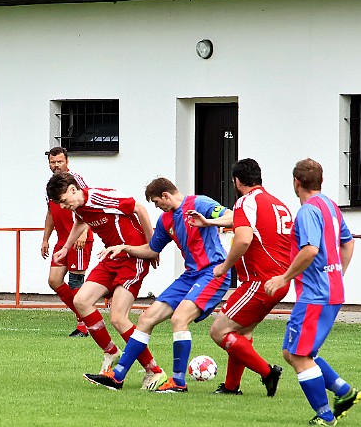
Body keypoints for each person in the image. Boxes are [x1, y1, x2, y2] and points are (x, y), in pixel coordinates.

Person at [84, 177, 232, 393]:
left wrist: (208, 222)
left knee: (179, 318)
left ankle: (179, 383)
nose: (156, 206)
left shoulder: (199, 204)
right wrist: (124, 247)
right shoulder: (165, 220)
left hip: (214, 272)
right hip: (191, 275)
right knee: (146, 318)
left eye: (156, 202)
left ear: (166, 195)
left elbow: (232, 217)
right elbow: (151, 250)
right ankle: (117, 378)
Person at [47, 172, 167, 390]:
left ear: (73, 190)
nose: (63, 207)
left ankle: (154, 371)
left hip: (133, 257)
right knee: (81, 300)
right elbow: (80, 222)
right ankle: (111, 351)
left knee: (118, 318)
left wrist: (152, 246)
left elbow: (139, 208)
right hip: (111, 257)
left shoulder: (100, 197)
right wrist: (66, 247)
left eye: (63, 201)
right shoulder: (79, 206)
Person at [265, 158, 361, 426]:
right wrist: (337, 273)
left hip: (316, 296)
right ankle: (344, 392)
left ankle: (325, 416)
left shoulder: (308, 211)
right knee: (291, 351)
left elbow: (310, 250)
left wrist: (283, 277)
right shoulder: (330, 205)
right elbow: (348, 241)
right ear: (322, 180)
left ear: (296, 182)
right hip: (330, 291)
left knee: (299, 355)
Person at [189, 158, 291, 396]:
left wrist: (224, 267)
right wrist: (209, 222)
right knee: (241, 333)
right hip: (279, 281)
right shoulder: (277, 204)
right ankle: (231, 387)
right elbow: (246, 225)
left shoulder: (245, 202)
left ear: (236, 180)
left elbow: (244, 239)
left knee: (218, 331)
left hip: (258, 281)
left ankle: (268, 373)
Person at [40, 147, 94, 337]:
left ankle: (83, 325)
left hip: (78, 237)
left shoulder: (75, 180)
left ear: (67, 162)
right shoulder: (50, 185)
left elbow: (87, 203)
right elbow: (50, 212)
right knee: (54, 280)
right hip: (62, 240)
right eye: (53, 162)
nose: (56, 165)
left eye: (59, 162)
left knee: (75, 280)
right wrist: (45, 238)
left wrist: (83, 232)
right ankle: (86, 317)